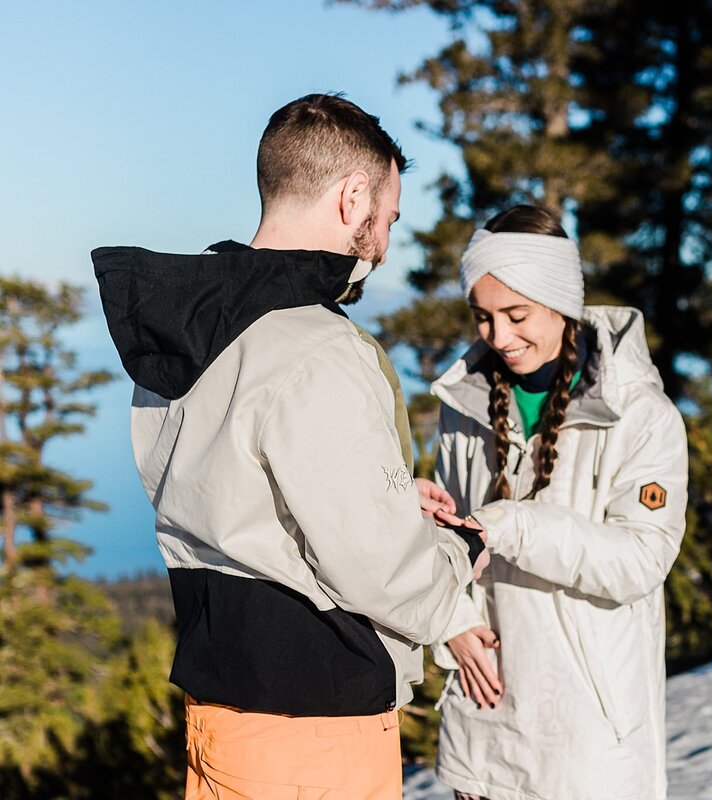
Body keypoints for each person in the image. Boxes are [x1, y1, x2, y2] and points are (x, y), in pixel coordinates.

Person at [92, 93, 487, 799]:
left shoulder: (185, 330)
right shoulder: (318, 347)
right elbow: (374, 560)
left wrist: (387, 492)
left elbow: (227, 489)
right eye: (388, 218)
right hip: (315, 722)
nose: (385, 243)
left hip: (223, 712)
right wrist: (454, 591)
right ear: (353, 196)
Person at [422, 205, 688, 800]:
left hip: (588, 755)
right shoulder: (464, 403)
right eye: (483, 317)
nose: (498, 337)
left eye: (517, 315)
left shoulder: (640, 415)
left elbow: (640, 560)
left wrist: (512, 526)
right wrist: (455, 623)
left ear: (562, 302)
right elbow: (445, 540)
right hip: (483, 742)